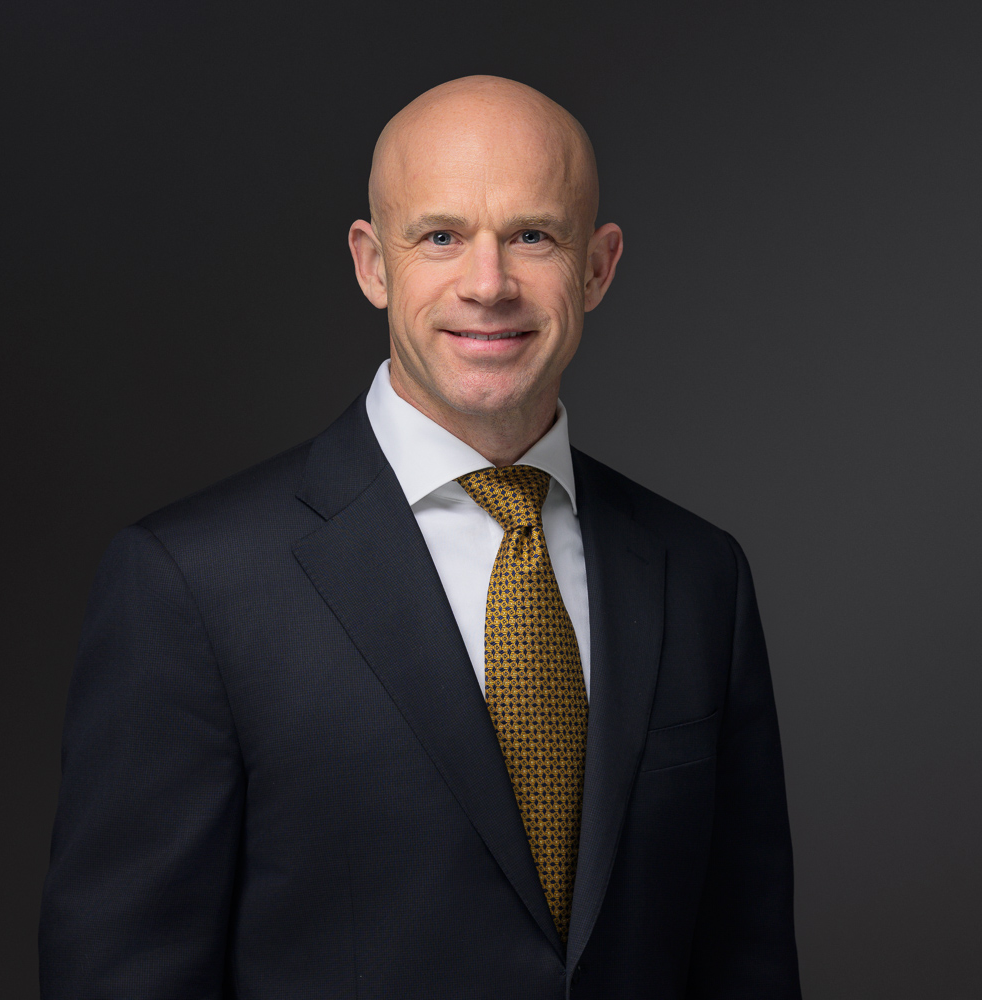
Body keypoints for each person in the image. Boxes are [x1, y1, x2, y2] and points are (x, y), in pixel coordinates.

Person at [40, 76, 802, 998]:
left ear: (597, 267)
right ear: (372, 264)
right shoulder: (190, 585)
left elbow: (746, 959)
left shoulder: (699, 575)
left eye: (533, 235)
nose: (488, 285)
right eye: (440, 237)